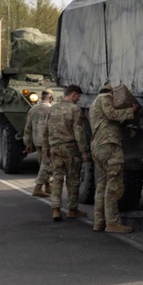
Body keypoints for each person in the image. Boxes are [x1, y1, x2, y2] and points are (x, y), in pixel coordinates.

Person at [88, 84, 138, 234]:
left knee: (102, 185)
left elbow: (110, 120)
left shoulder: (93, 104)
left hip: (98, 147)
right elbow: (112, 114)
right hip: (109, 146)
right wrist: (132, 110)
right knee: (113, 186)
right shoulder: (105, 98)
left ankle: (99, 222)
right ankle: (113, 223)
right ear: (111, 92)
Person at [43, 85, 90, 222]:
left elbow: (46, 130)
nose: (78, 100)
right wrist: (84, 151)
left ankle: (56, 209)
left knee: (57, 178)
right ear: (74, 94)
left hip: (55, 148)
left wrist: (46, 148)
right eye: (78, 97)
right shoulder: (74, 110)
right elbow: (79, 132)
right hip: (70, 149)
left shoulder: (52, 108)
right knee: (73, 180)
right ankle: (72, 209)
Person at [23, 90, 55, 197]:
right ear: (50, 98)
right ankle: (38, 187)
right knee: (46, 165)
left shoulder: (32, 109)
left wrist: (28, 143)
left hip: (37, 141)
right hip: (48, 141)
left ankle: (48, 187)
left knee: (43, 163)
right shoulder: (51, 109)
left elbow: (27, 128)